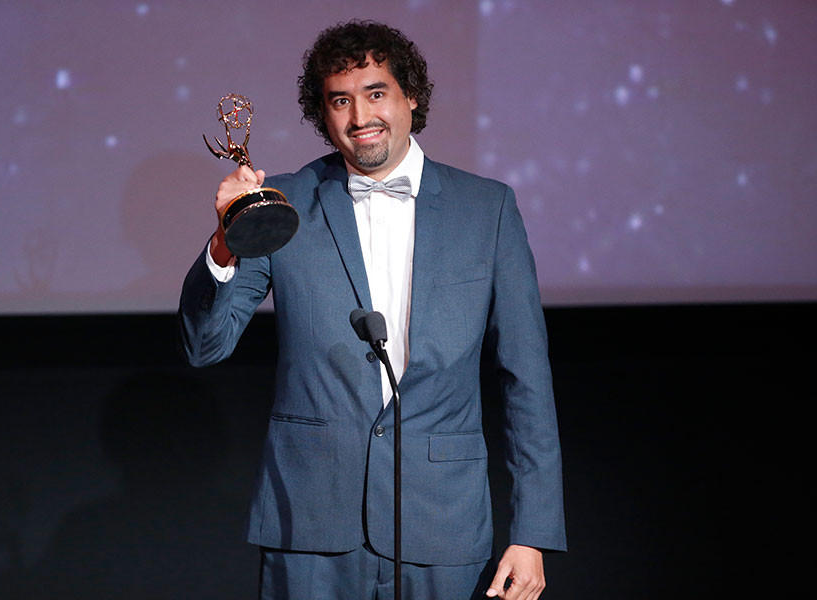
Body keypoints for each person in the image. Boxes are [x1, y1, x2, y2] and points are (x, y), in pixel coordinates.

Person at [179, 20, 565, 600]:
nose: (360, 117)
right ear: (322, 113)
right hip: (309, 521)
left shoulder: (487, 209)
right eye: (340, 100)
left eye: (376, 93)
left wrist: (532, 532)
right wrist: (225, 242)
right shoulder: (283, 203)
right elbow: (205, 346)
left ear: (411, 97)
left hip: (443, 521)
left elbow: (526, 377)